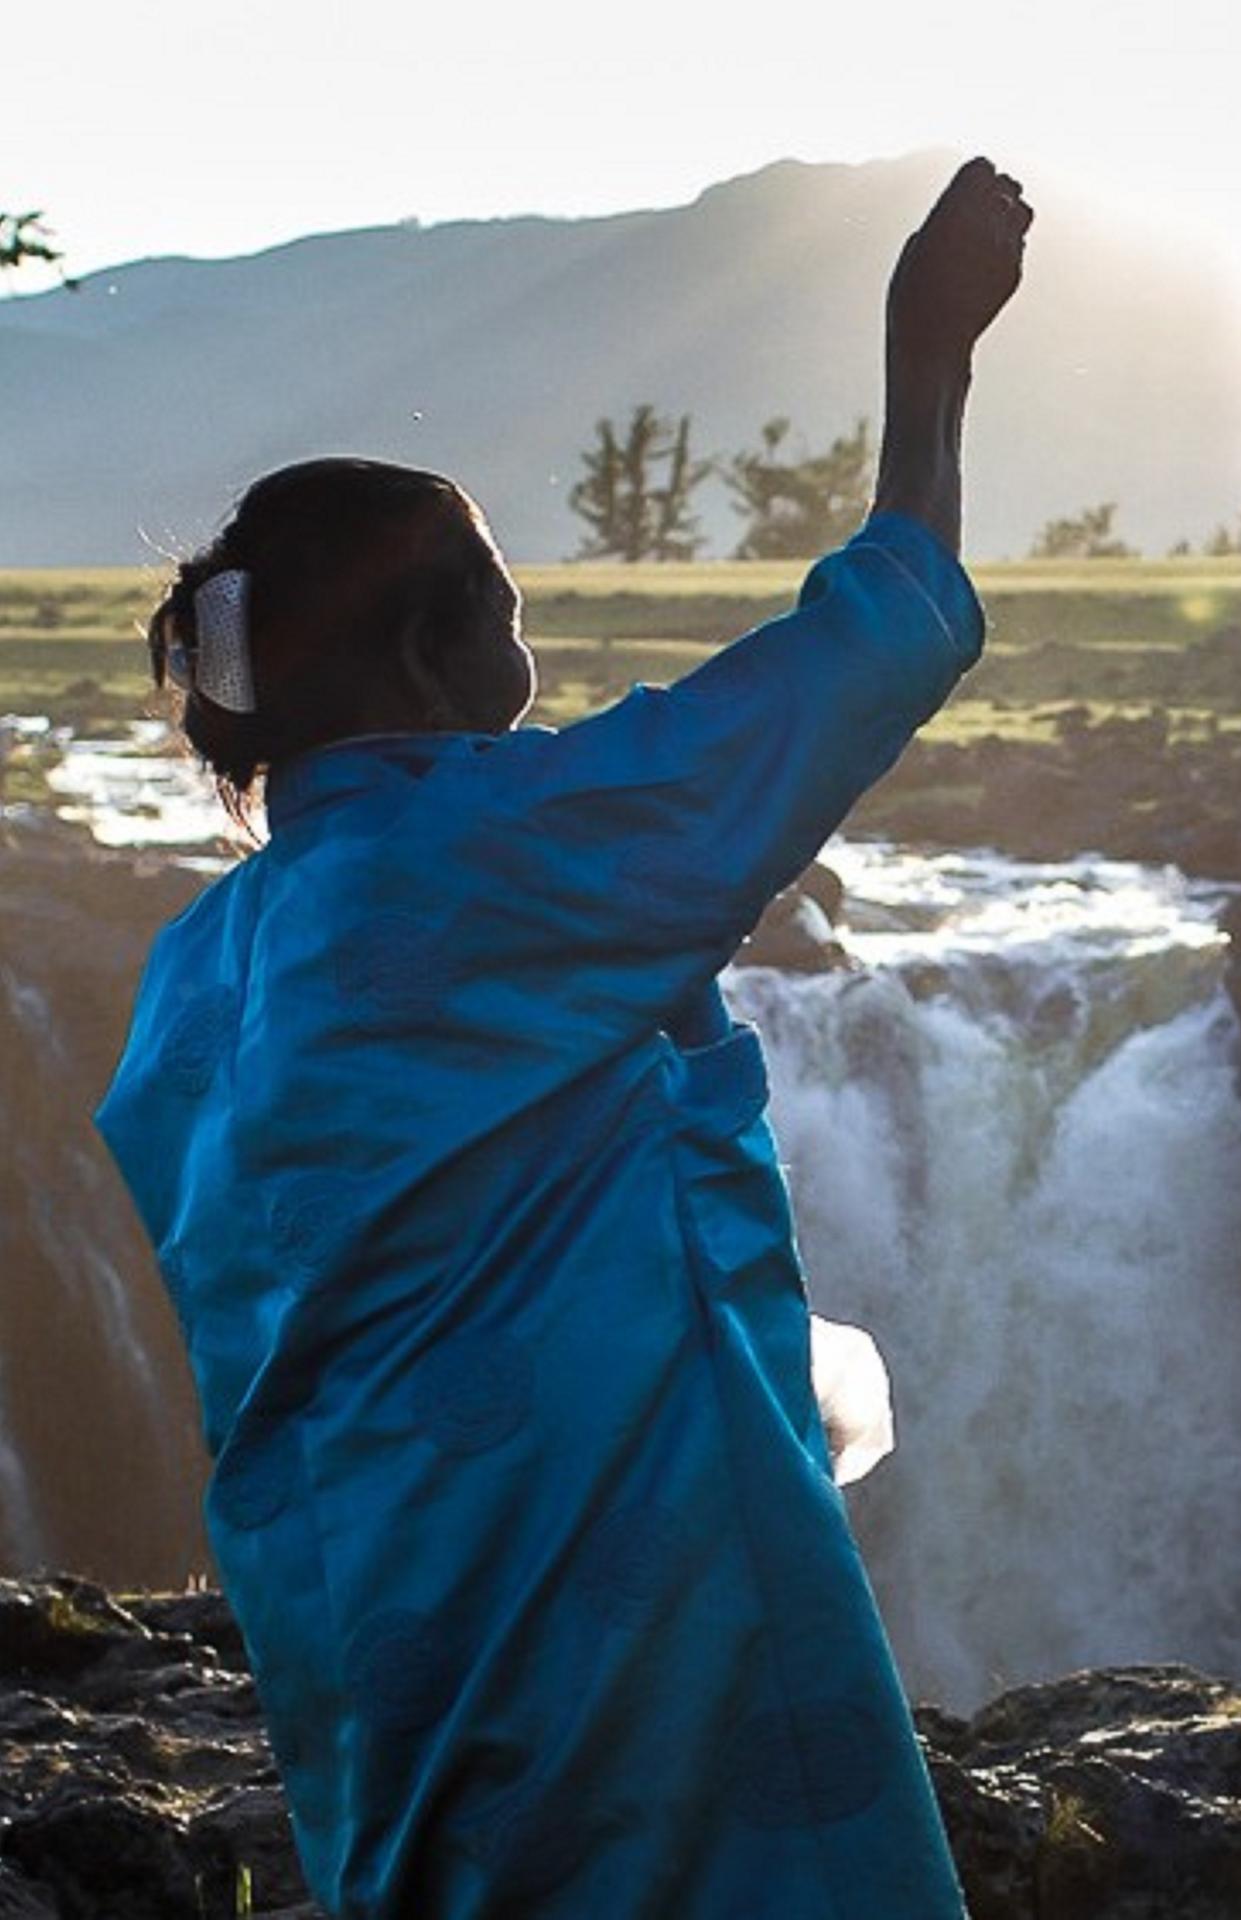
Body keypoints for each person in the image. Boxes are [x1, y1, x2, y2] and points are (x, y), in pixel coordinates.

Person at [95, 156, 1031, 1919]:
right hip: (620, 1603)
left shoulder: (195, 979)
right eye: (506, 601)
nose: (533, 640)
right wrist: (933, 359)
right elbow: (862, 648)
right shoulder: (494, 859)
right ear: (437, 647)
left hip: (374, 1630)